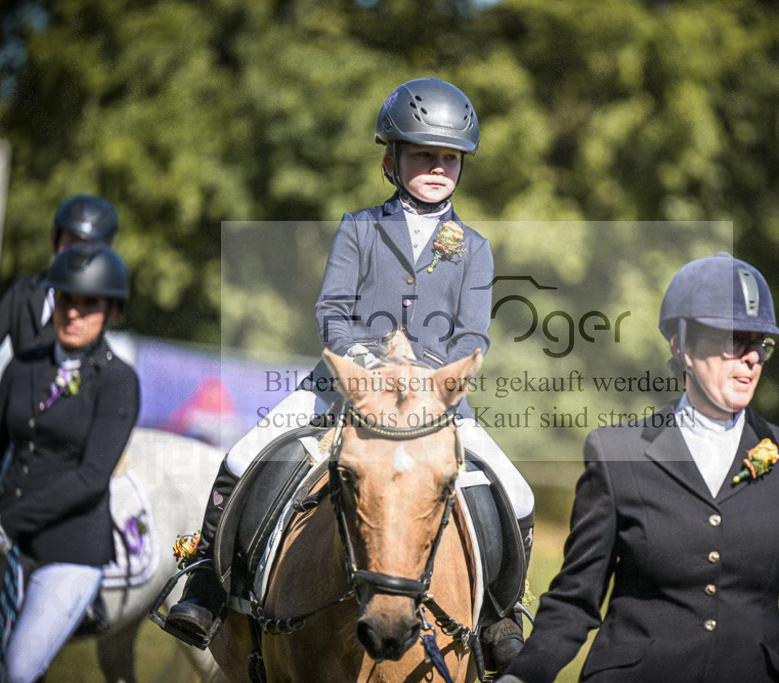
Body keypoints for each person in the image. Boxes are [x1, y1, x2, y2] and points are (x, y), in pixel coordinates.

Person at [166, 78, 535, 671]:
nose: (438, 167)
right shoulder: (359, 228)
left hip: (434, 401)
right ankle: (207, 590)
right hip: (341, 387)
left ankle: (499, 618)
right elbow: (332, 311)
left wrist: (427, 374)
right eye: (423, 155)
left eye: (449, 158)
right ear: (392, 162)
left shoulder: (474, 247)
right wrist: (367, 361)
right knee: (241, 455)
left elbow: (472, 336)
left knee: (517, 491)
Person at [500, 253, 779, 683]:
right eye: (736, 340)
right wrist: (522, 677)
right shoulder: (618, 453)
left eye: (760, 345)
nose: (751, 358)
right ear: (682, 346)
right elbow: (575, 599)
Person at [0, 242, 138, 683]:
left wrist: (10, 521)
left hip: (70, 550)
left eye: (89, 304)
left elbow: (92, 478)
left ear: (112, 311)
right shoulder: (22, 367)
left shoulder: (118, 382)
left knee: (19, 672)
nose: (73, 312)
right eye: (65, 299)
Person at [0, 194, 120, 381]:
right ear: (54, 239)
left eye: (87, 247)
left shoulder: (99, 309)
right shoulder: (24, 290)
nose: (76, 254)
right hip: (18, 396)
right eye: (71, 242)